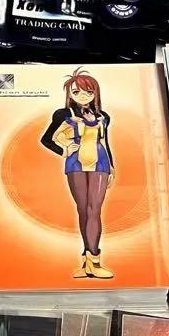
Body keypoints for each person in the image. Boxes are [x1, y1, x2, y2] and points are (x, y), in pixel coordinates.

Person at [40, 67, 116, 279]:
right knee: (83, 210)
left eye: (88, 91)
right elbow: (46, 139)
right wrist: (64, 149)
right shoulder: (64, 114)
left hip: (100, 162)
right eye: (76, 92)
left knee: (94, 209)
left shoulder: (103, 116)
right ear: (69, 94)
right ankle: (87, 263)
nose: (82, 96)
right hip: (75, 163)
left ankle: (95, 260)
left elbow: (105, 142)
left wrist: (112, 167)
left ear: (95, 93)